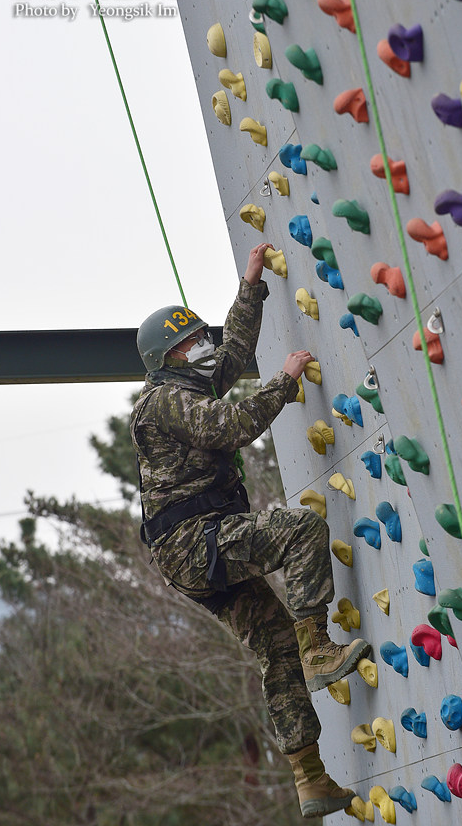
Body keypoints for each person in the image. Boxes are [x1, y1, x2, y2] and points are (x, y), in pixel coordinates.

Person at [131, 242, 372, 818]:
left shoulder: (189, 384)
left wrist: (252, 282)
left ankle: (309, 778)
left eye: (200, 338)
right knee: (301, 531)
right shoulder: (161, 401)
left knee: (274, 644)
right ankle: (319, 649)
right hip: (195, 543)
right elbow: (230, 426)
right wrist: (285, 384)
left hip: (196, 548)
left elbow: (235, 351)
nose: (205, 349)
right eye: (191, 345)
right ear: (168, 359)